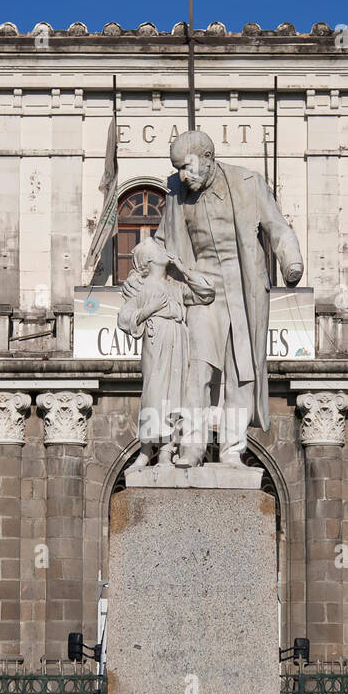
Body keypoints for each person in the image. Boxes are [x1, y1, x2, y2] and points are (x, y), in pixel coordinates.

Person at [155, 129, 304, 467]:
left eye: (188, 166)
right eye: (178, 168)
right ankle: (192, 445)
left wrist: (290, 261)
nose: (183, 175)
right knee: (197, 368)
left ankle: (232, 450)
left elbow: (277, 227)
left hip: (242, 288)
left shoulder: (248, 183)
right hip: (200, 290)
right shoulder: (176, 192)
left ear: (208, 159)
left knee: (242, 373)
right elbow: (163, 241)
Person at [118, 237, 213, 468]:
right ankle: (145, 449)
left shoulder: (175, 286)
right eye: (157, 248)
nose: (164, 251)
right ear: (148, 259)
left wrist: (183, 269)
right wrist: (148, 309)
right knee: (154, 392)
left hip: (178, 337)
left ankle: (165, 452)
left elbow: (206, 292)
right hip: (155, 338)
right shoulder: (139, 287)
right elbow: (123, 318)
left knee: (174, 396)